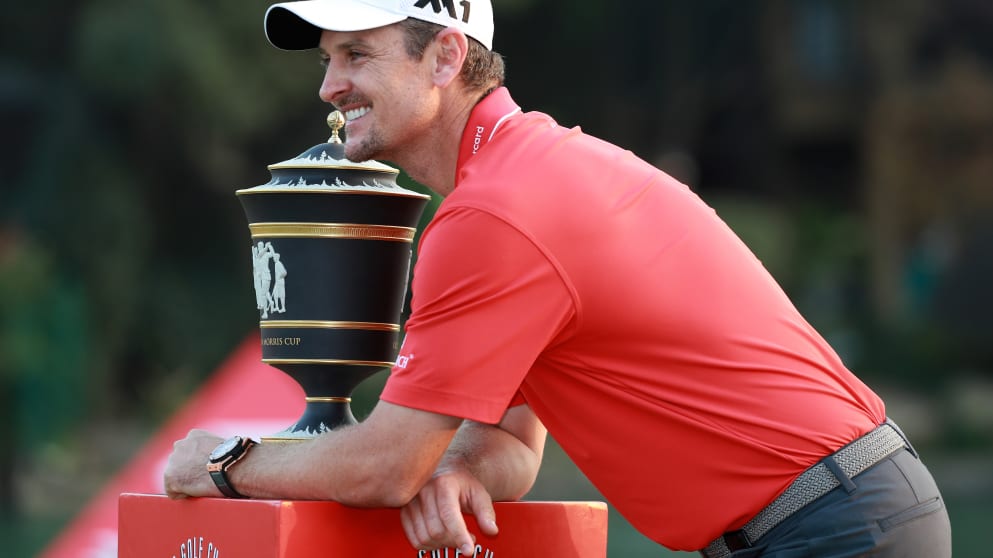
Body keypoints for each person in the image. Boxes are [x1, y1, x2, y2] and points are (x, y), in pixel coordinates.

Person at [164, 1, 953, 556]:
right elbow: (510, 441)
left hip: (835, 531)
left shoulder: (496, 214)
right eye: (329, 59)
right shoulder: (521, 177)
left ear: (445, 56)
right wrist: (458, 468)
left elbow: (380, 467)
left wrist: (222, 461)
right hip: (847, 518)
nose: (328, 86)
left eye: (357, 55)